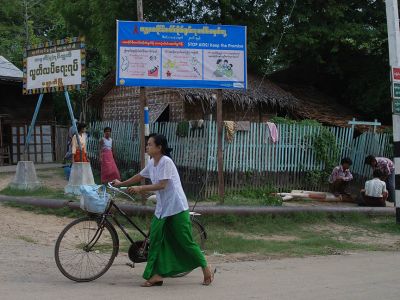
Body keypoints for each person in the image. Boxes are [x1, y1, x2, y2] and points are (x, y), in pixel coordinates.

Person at [112, 134, 214, 287]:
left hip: (177, 207)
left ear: (159, 148)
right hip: (162, 208)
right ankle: (157, 275)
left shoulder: (166, 162)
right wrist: (121, 183)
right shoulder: (152, 162)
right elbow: (139, 175)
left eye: (150, 144)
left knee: (185, 241)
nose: (147, 147)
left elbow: (162, 185)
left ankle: (205, 267)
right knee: (156, 239)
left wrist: (141, 188)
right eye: (147, 144)